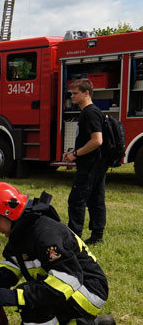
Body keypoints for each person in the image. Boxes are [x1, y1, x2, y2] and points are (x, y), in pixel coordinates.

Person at [0, 182, 115, 325]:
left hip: (88, 290)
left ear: (9, 213)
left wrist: (16, 296)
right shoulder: (22, 231)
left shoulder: (45, 235)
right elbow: (16, 262)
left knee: (31, 301)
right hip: (73, 286)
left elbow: (68, 280)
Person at [62, 79, 107, 245]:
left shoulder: (90, 113)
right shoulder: (90, 112)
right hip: (96, 164)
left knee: (76, 200)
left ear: (86, 93)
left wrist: (76, 154)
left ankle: (74, 238)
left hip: (90, 165)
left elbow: (97, 140)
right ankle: (97, 236)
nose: (72, 96)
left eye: (75, 93)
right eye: (71, 93)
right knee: (96, 200)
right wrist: (73, 152)